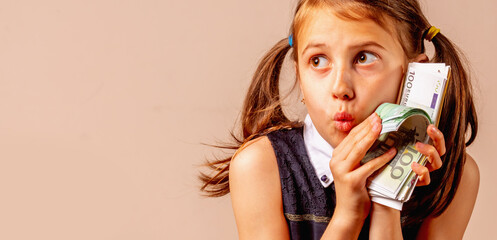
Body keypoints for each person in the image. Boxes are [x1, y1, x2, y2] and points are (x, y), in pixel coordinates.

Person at [199, 0, 479, 239]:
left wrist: (386, 201)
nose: (340, 88)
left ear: (414, 76)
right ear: (299, 75)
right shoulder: (260, 166)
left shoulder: (456, 176)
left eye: (364, 58)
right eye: (318, 60)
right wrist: (348, 215)